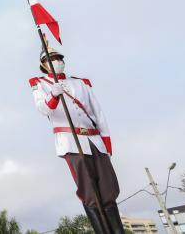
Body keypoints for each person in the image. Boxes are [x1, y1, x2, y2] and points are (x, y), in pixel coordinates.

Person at [29, 43, 123, 234]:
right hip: (70, 142)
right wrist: (54, 94)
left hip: (94, 140)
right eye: (51, 59)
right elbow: (43, 109)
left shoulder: (81, 83)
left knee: (108, 189)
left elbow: (98, 113)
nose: (57, 62)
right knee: (89, 192)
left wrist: (106, 143)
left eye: (59, 58)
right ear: (43, 64)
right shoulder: (40, 84)